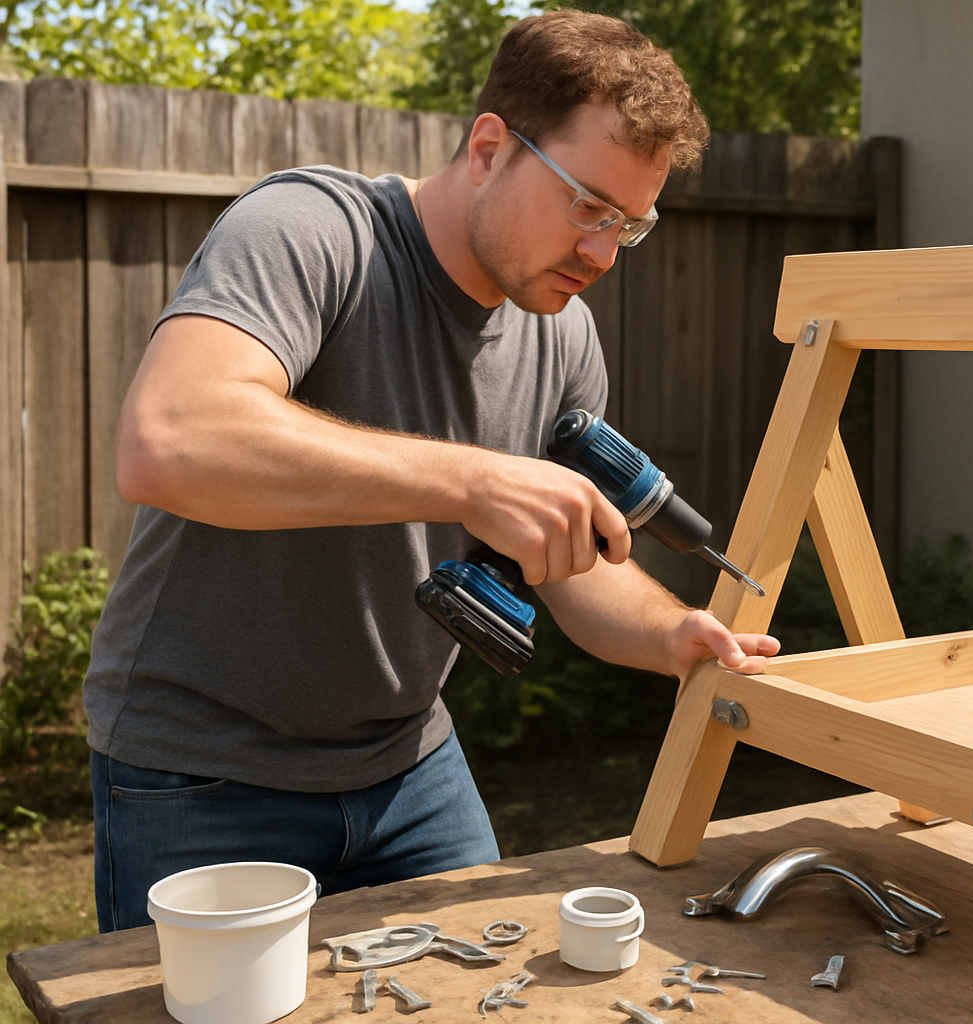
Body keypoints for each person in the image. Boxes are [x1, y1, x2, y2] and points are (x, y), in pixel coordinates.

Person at [82, 10, 778, 933]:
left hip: (410, 769)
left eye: (630, 225)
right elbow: (169, 439)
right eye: (588, 206)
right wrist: (473, 480)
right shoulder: (313, 229)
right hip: (202, 773)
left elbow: (569, 566)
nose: (604, 253)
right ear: (490, 147)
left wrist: (674, 634)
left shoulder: (562, 333)